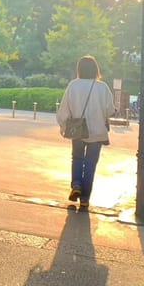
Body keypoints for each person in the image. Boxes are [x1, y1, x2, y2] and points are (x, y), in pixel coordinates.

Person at [55, 55, 115, 210]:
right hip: (97, 131)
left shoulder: (73, 86)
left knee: (77, 158)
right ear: (96, 70)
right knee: (90, 163)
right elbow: (110, 110)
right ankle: (85, 198)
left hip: (78, 130)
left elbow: (64, 109)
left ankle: (76, 184)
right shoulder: (102, 88)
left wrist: (63, 125)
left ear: (79, 70)